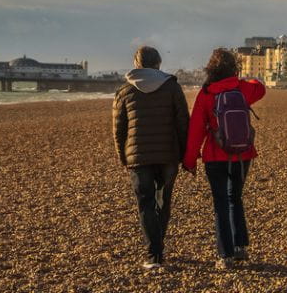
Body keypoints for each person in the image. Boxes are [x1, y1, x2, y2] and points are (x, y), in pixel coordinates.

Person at [182, 48, 266, 270]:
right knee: (235, 197)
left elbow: (196, 130)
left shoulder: (207, 94)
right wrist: (243, 78)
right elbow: (261, 88)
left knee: (220, 203)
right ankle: (240, 247)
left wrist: (190, 160)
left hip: (215, 155)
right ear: (234, 68)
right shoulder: (243, 89)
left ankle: (225, 255)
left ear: (210, 69)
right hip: (242, 153)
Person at [113, 46, 190, 271]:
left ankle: (153, 254)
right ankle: (158, 246)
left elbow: (119, 129)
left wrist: (122, 156)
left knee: (145, 203)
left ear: (137, 63)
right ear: (158, 63)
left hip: (138, 157)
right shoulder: (172, 87)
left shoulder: (125, 91)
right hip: (168, 155)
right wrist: (186, 153)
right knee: (163, 200)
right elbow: (183, 122)